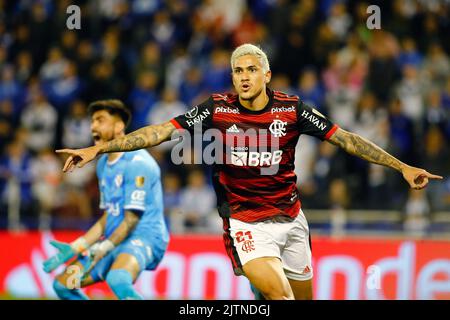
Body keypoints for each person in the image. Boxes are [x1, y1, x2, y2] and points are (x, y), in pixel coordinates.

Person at [56, 44, 442, 300]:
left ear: (266, 75)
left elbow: (347, 139)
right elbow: (158, 133)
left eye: (251, 69)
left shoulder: (292, 109)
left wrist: (401, 166)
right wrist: (99, 147)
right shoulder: (217, 108)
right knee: (281, 297)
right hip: (246, 223)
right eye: (237, 70)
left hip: (292, 218)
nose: (242, 76)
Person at [43, 100, 169, 300]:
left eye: (100, 120)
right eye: (92, 121)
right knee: (63, 285)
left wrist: (103, 247)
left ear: (119, 127)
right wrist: (78, 245)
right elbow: (110, 215)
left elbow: (131, 219)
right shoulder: (102, 164)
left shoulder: (139, 162)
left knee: (117, 279)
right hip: (115, 238)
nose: (93, 126)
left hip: (146, 236)